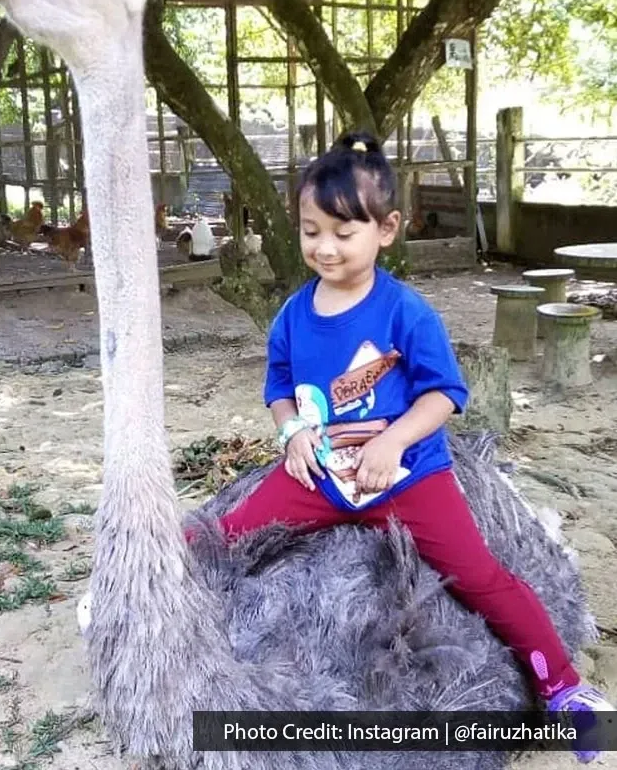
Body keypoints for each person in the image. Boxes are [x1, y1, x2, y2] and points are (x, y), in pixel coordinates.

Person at [208, 130, 614, 763]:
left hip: (408, 476)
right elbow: (280, 386)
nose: (325, 248)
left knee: (481, 576)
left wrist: (394, 441)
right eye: (311, 231)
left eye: (344, 234)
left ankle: (562, 689)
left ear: (387, 229)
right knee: (225, 534)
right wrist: (292, 433)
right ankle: (131, 592)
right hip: (322, 476)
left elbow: (445, 394)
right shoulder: (292, 312)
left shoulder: (406, 312)